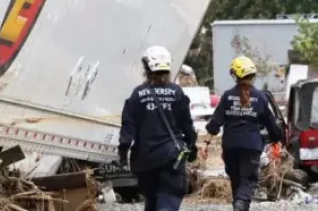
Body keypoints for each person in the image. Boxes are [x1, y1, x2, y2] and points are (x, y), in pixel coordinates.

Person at [118, 45, 198, 211]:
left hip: (145, 159)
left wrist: (123, 152)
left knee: (152, 201)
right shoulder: (177, 93)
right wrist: (192, 147)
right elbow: (187, 125)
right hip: (171, 158)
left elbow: (128, 126)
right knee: (169, 197)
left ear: (147, 68)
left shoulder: (137, 94)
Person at [206, 56, 283, 211]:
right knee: (247, 180)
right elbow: (271, 123)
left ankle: (239, 204)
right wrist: (276, 139)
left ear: (236, 75)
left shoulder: (227, 96)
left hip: (230, 145)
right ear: (252, 75)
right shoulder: (260, 97)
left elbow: (215, 123)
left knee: (236, 179)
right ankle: (241, 204)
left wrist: (206, 144)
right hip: (252, 146)